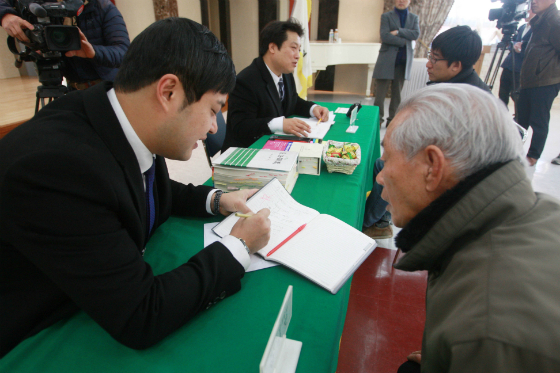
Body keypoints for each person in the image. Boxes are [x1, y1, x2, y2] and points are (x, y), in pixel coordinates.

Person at [0, 17, 272, 358]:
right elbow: (141, 314)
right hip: (38, 337)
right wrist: (239, 246)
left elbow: (145, 189)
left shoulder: (120, 117)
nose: (214, 126)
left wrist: (217, 200)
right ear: (169, 92)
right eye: (214, 109)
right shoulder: (58, 169)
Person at [381, 84, 560, 373]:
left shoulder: (486, 334)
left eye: (387, 158)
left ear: (432, 167)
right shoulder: (540, 209)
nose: (380, 177)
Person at [363, 26, 489, 239]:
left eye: (435, 58)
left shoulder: (465, 101)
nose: (429, 64)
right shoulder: (457, 84)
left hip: (452, 178)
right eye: (430, 55)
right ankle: (380, 221)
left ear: (456, 65)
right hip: (446, 164)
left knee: (388, 168)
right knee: (379, 164)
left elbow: (442, 151)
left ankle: (361, 224)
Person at [221, 19, 329, 151]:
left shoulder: (285, 73)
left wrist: (313, 108)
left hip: (274, 146)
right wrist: (279, 124)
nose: (298, 55)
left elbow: (293, 101)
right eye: (293, 48)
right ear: (272, 48)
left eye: (299, 49)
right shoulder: (246, 81)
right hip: (246, 152)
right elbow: (241, 126)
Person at [0, 0, 130, 90]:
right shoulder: (43, 7)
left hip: (108, 88)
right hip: (70, 88)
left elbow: (124, 54)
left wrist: (93, 52)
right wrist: (5, 15)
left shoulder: (104, 8)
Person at [517, 0, 560, 167]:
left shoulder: (554, 21)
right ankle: (513, 152)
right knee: (521, 120)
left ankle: (533, 156)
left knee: (538, 121)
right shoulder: (539, 21)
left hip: (545, 82)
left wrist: (548, 70)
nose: (533, 1)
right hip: (530, 80)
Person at [372, 0, 419, 127]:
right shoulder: (386, 16)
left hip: (402, 62)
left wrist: (398, 31)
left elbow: (415, 34)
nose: (401, 1)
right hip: (386, 60)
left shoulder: (414, 18)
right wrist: (405, 41)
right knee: (380, 95)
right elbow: (385, 36)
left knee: (397, 94)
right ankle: (377, 119)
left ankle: (392, 121)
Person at [498, 9, 535, 114]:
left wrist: (521, 47)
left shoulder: (536, 29)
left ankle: (519, 118)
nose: (527, 12)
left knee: (516, 95)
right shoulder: (522, 27)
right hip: (509, 64)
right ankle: (501, 114)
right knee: (503, 93)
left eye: (531, 9)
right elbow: (511, 41)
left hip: (520, 67)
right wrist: (513, 45)